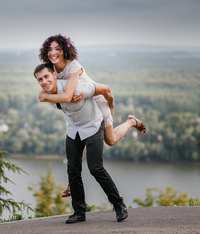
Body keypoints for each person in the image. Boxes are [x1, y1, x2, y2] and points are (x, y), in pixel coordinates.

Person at [38, 34, 146, 197]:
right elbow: (62, 94)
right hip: (77, 109)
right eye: (50, 49)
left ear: (64, 50)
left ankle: (131, 122)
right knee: (77, 142)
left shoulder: (73, 67)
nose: (53, 52)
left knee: (110, 140)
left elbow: (77, 94)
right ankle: (71, 183)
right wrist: (50, 95)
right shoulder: (51, 70)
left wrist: (110, 107)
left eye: (57, 49)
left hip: (96, 101)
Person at [34, 63, 128, 223]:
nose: (44, 82)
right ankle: (79, 212)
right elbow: (56, 100)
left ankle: (119, 205)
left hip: (93, 125)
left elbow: (105, 90)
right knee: (73, 168)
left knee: (95, 168)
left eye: (46, 76)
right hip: (73, 128)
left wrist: (110, 110)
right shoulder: (47, 94)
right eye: (40, 79)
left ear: (55, 75)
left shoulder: (77, 88)